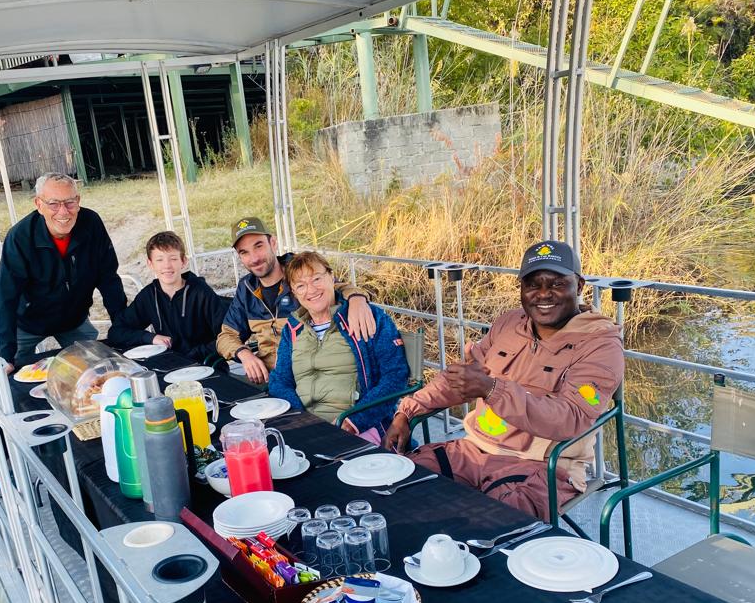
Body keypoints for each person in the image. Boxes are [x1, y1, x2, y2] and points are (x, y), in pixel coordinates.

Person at [382, 240, 625, 520]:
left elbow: (571, 418)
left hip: (541, 466)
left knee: (491, 523)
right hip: (474, 449)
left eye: (557, 284)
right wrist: (407, 412)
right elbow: (461, 380)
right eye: (532, 284)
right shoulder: (509, 323)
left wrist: (492, 390)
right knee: (397, 486)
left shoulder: (600, 345)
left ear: (579, 285)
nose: (543, 294)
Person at [0, 173, 127, 372]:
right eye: (53, 204)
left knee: (96, 370)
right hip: (28, 322)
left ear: (78, 201)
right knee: (13, 373)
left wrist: (123, 327)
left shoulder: (91, 223)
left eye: (70, 202)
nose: (63, 212)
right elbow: (4, 298)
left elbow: (108, 279)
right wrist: (4, 355)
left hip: (74, 319)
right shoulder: (20, 237)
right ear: (39, 204)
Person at [215, 217, 377, 384]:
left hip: (307, 378)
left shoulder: (299, 271)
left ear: (273, 243)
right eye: (244, 252)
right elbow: (225, 336)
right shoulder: (246, 288)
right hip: (267, 380)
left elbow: (333, 286)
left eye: (259, 246)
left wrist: (357, 298)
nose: (254, 258)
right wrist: (244, 354)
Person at [268, 252, 410, 441]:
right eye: (300, 285)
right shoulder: (293, 329)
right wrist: (300, 418)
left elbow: (395, 375)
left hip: (356, 426)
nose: (311, 290)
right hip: (305, 426)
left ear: (331, 277)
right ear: (294, 293)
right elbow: (279, 380)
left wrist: (355, 420)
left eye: (316, 279)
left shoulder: (367, 317)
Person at [107, 231, 226, 362]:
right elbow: (116, 332)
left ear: (183, 261)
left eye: (173, 259)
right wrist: (150, 338)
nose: (167, 266)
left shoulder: (201, 292)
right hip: (169, 364)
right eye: (159, 260)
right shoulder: (149, 295)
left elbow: (227, 337)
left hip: (206, 364)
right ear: (150, 264)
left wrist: (194, 355)